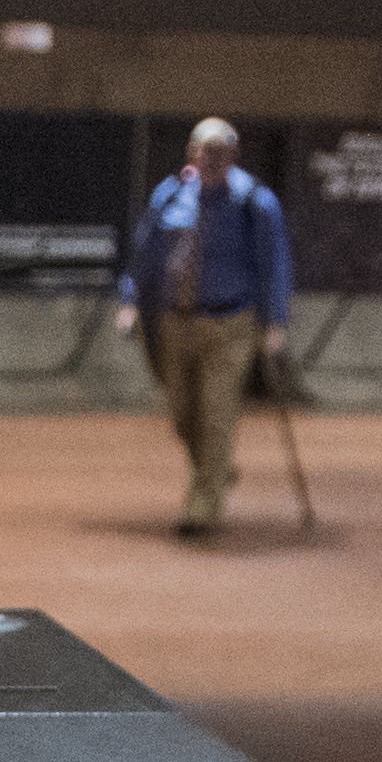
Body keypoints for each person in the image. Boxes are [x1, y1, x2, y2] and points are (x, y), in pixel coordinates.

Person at [112, 116, 292, 538]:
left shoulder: (255, 202)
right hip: (174, 321)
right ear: (193, 151)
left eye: (222, 152)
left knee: (216, 414)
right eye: (206, 150)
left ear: (233, 156)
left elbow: (275, 264)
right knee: (182, 415)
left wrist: (275, 322)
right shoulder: (170, 195)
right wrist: (129, 301)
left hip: (231, 322)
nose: (212, 159)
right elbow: (144, 253)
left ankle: (202, 509)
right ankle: (218, 467)